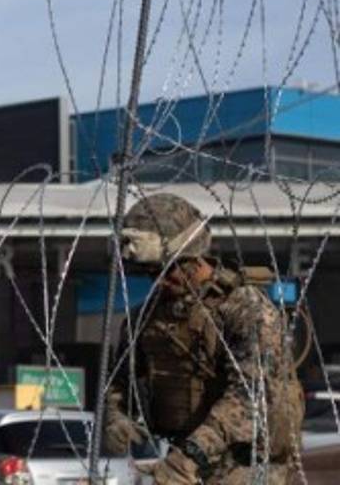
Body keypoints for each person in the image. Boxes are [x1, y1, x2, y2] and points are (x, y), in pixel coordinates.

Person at [102, 193, 304, 484]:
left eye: (167, 270)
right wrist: (116, 417)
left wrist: (189, 457)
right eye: (149, 273)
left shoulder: (244, 310)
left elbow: (250, 397)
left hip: (245, 468)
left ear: (194, 259)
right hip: (182, 459)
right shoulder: (147, 316)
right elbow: (120, 379)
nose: (158, 281)